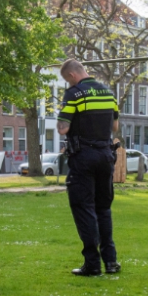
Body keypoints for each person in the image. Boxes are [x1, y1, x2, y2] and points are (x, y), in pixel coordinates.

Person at [57, 59, 121, 276]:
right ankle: (111, 261)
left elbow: (63, 129)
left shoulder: (73, 94)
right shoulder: (108, 93)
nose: (68, 84)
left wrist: (65, 115)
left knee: (83, 208)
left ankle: (92, 264)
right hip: (106, 155)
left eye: (67, 80)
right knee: (103, 208)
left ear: (72, 76)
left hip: (83, 156)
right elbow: (114, 126)